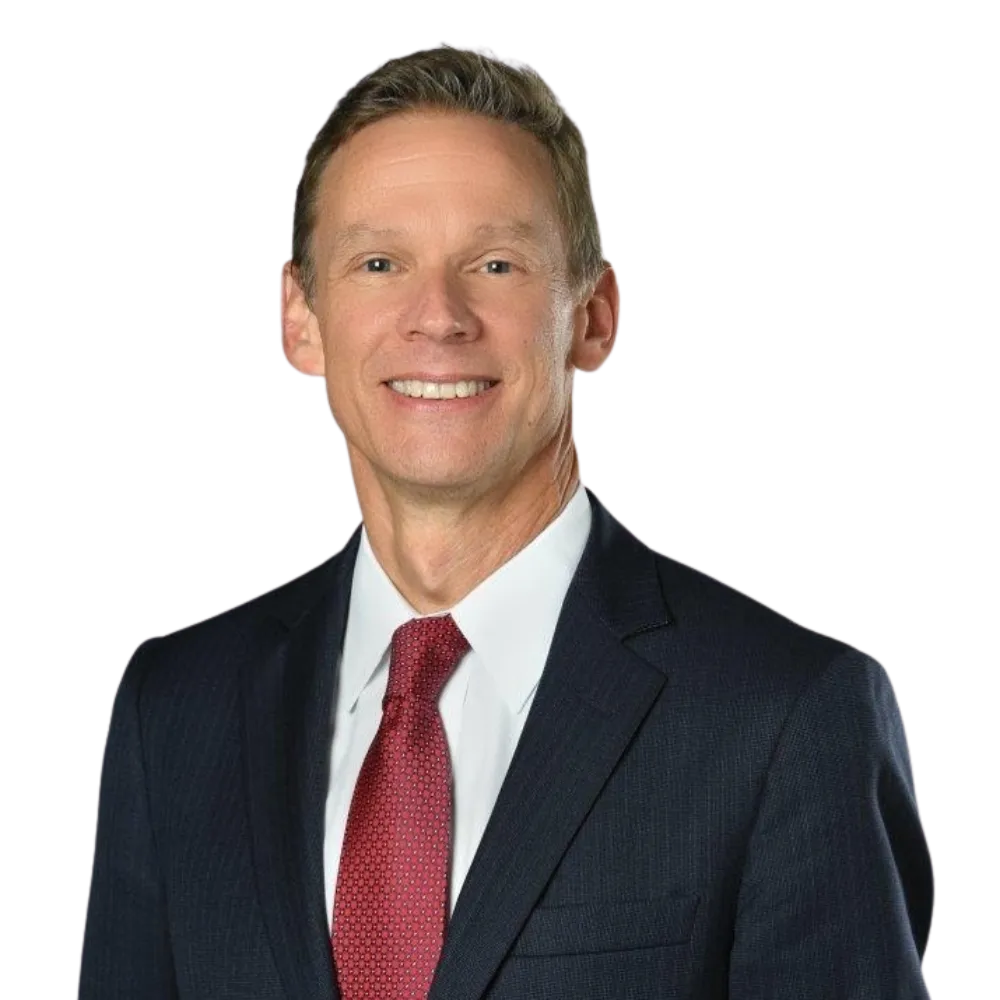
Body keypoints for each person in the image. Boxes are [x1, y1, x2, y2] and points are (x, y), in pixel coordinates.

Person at [78, 44, 934, 999]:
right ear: (301, 319)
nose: (437, 316)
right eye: (378, 262)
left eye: (496, 262)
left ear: (594, 316)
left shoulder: (787, 713)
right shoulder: (177, 707)